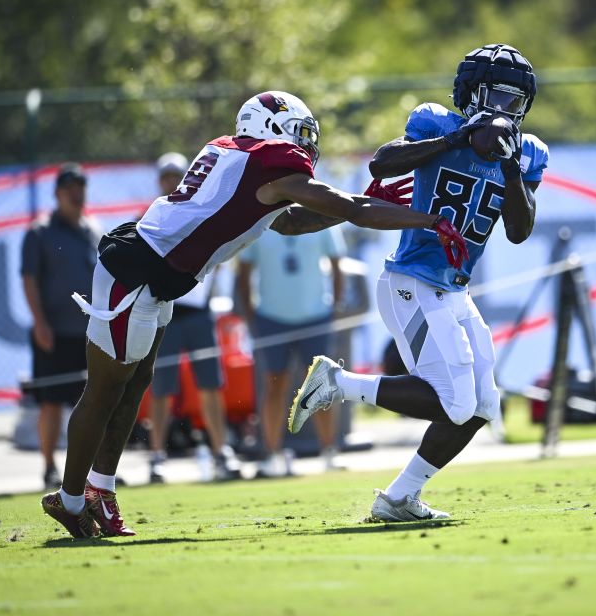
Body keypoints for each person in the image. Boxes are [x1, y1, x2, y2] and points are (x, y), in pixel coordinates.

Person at [41, 91, 469, 539]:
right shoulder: (269, 159)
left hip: (157, 270)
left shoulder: (237, 153)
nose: (306, 146)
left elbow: (287, 222)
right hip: (137, 268)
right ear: (270, 127)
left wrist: (359, 203)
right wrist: (425, 219)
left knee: (134, 385)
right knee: (107, 389)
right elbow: (354, 210)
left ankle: (99, 492)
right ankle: (71, 501)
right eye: (301, 134)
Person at [288, 44, 547, 522]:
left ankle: (397, 499)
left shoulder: (528, 153)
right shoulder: (436, 122)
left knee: (483, 404)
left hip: (454, 289)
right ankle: (339, 383)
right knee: (456, 401)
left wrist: (509, 168)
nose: (506, 112)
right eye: (497, 98)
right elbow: (382, 164)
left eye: (515, 103)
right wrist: (459, 140)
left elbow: (519, 228)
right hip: (410, 280)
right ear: (470, 96)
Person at [145, 152, 242, 484]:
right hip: (166, 311)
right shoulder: (155, 215)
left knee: (211, 384)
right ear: (160, 181)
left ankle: (220, 451)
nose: (172, 181)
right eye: (167, 176)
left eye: (177, 175)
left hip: (199, 313)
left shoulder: (202, 209)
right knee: (161, 388)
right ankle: (156, 455)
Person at [235, 223, 348, 477]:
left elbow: (337, 265)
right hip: (270, 318)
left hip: (316, 316)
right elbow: (243, 272)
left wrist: (335, 308)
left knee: (321, 385)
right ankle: (272, 454)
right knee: (274, 385)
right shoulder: (259, 224)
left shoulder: (322, 219)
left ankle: (330, 451)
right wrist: (252, 316)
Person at [21, 163, 101, 489]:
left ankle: (94, 472)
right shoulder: (39, 232)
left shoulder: (93, 230)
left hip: (90, 333)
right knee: (51, 402)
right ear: (57, 193)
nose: (76, 193)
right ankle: (50, 466)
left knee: (94, 402)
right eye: (70, 187)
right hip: (53, 332)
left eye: (81, 186)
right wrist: (40, 322)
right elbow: (29, 280)